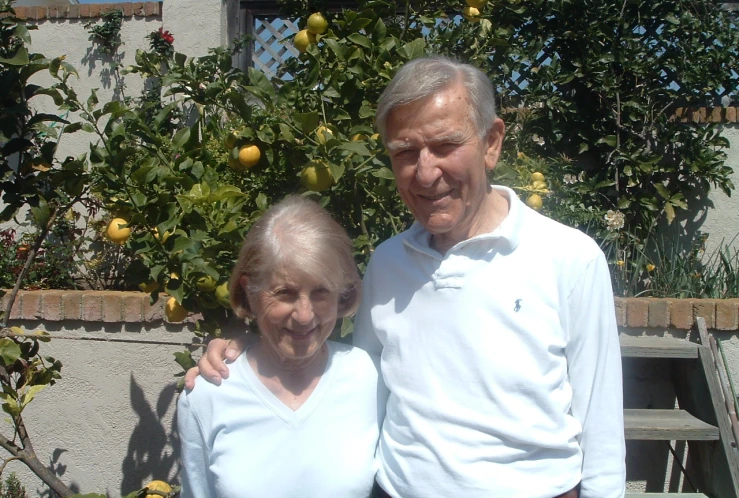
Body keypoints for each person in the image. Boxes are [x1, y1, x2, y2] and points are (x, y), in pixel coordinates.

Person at [187, 56, 626, 498]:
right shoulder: (388, 262)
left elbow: (601, 422)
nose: (426, 172)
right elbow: (346, 377)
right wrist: (243, 352)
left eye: (445, 145)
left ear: (491, 143)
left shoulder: (569, 259)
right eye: (406, 152)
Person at [177, 195, 386, 498]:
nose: (304, 315)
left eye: (321, 292)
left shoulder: (370, 378)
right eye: (285, 293)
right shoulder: (209, 394)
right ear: (250, 291)